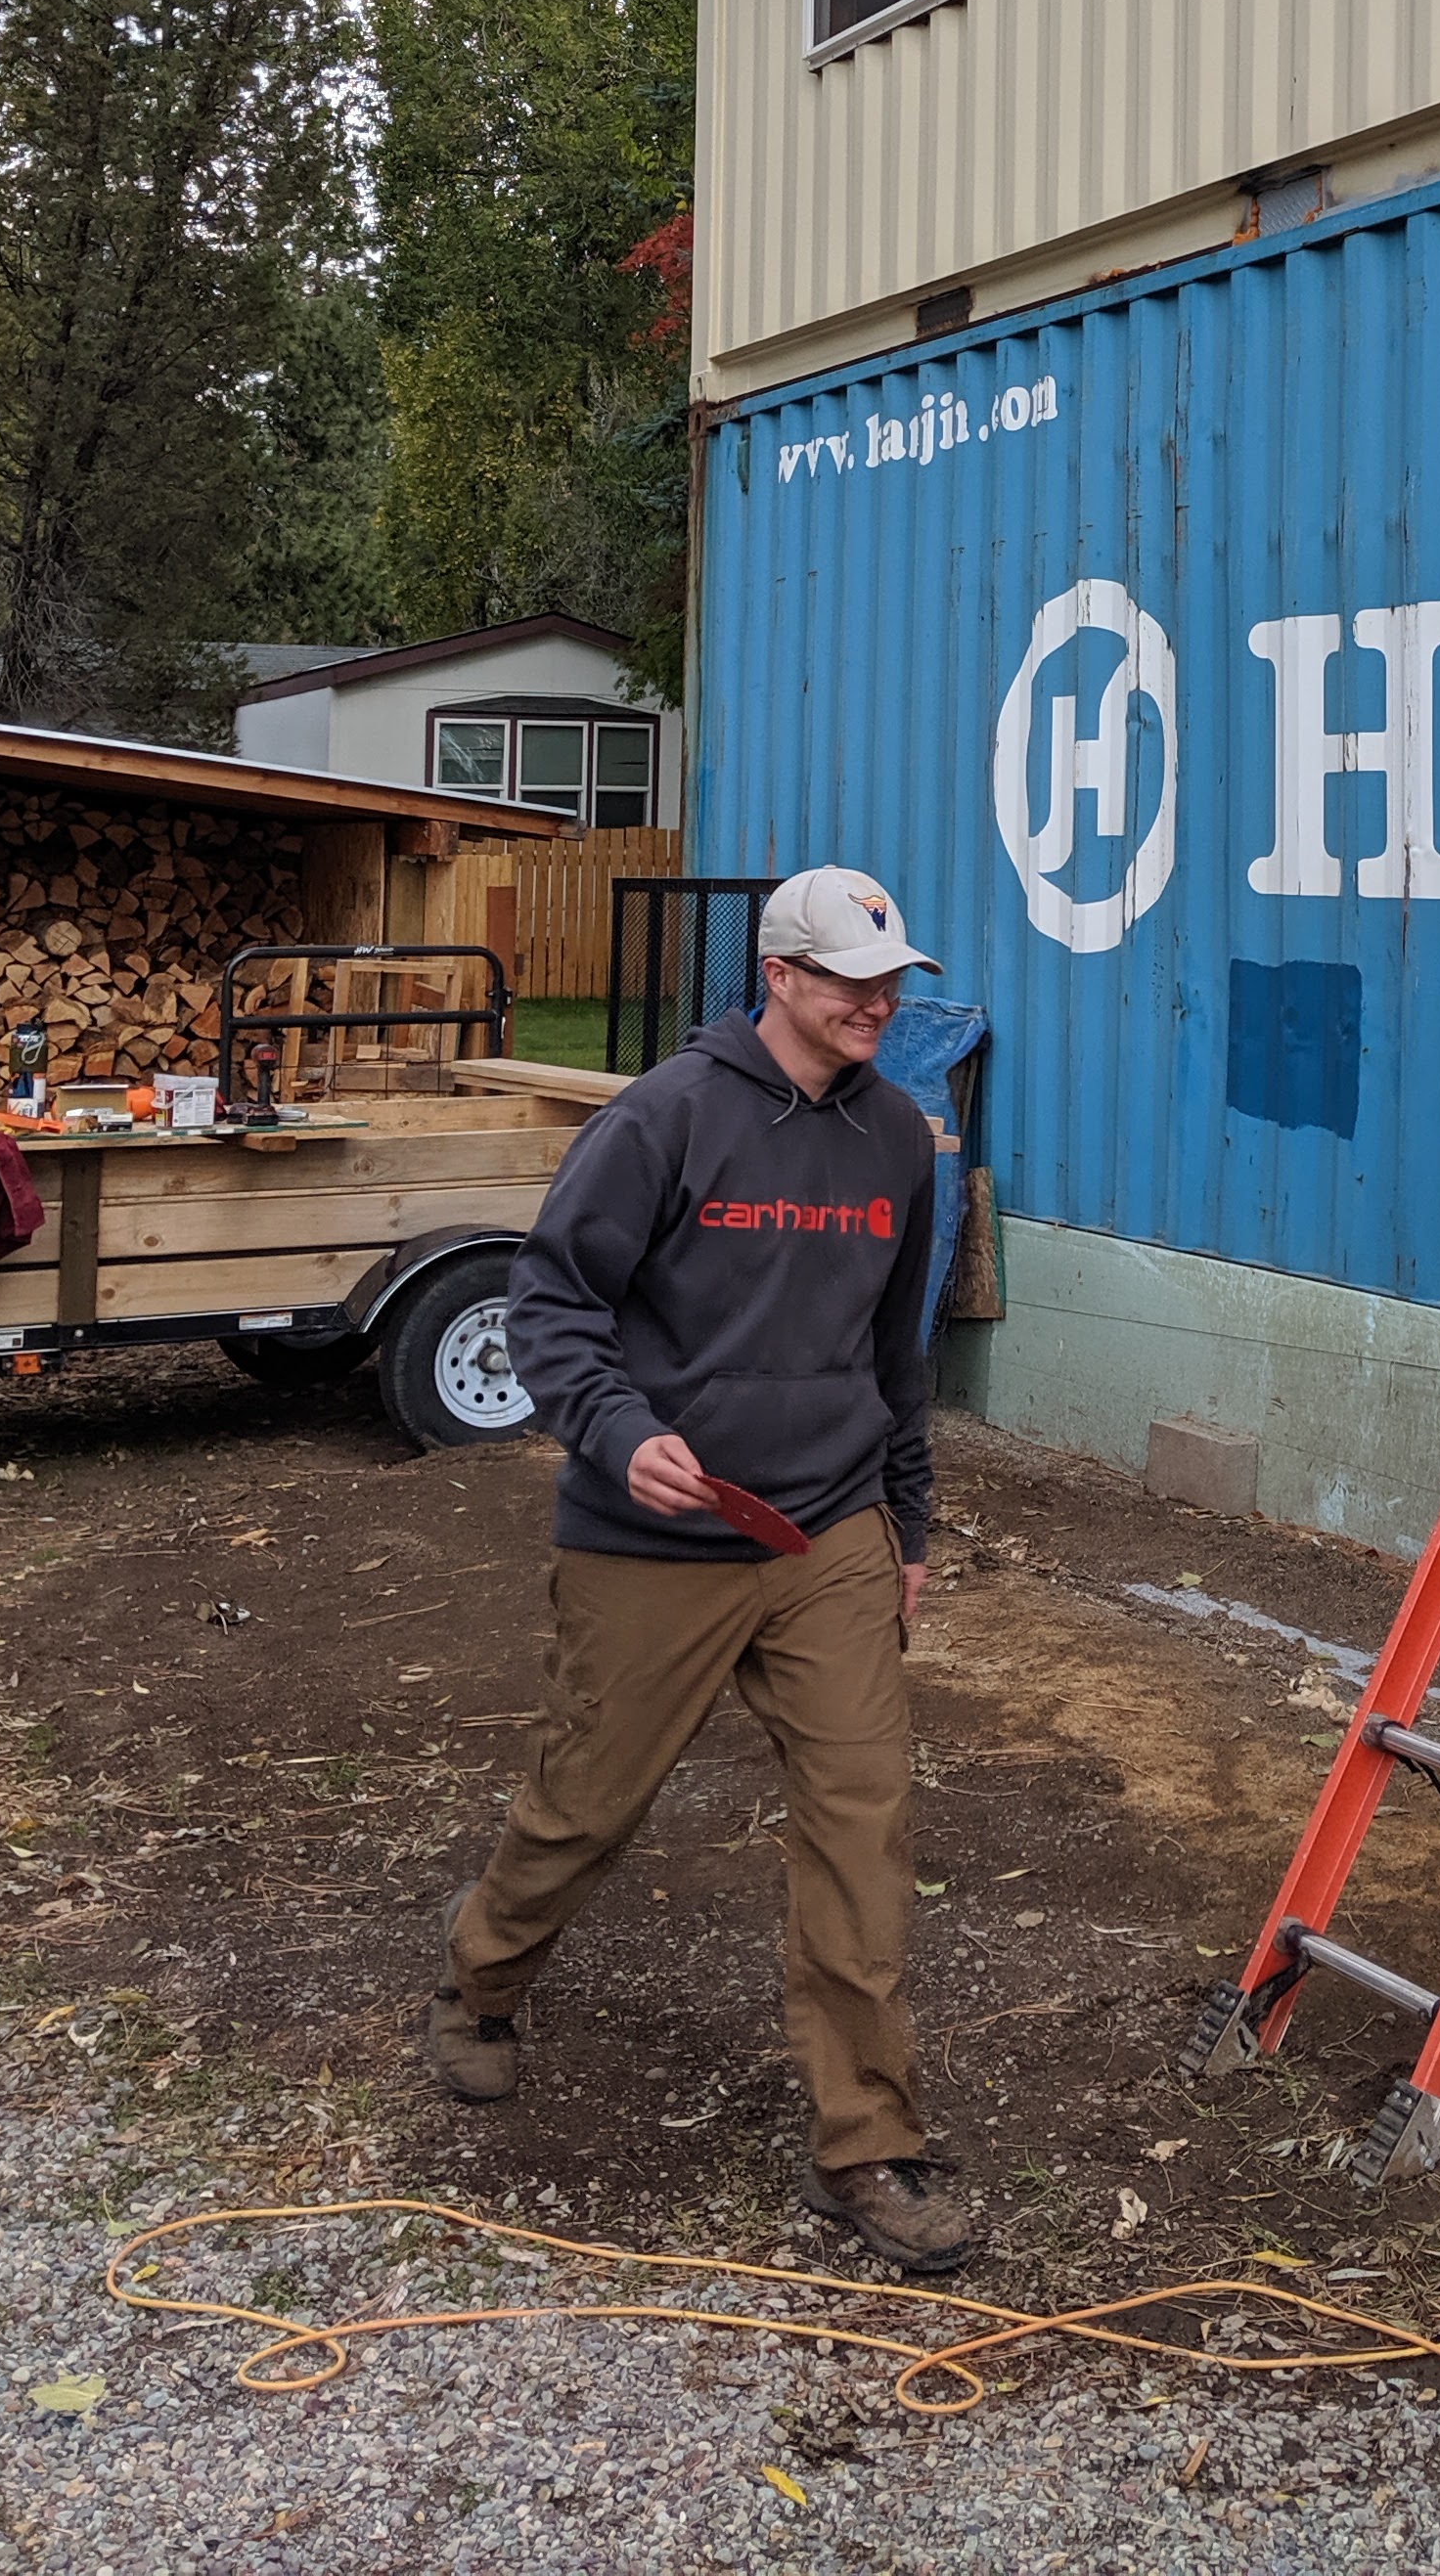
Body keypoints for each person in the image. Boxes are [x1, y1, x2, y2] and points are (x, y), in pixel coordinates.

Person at [422, 864, 976, 2278]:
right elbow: (550, 1301)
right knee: (585, 1803)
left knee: (864, 1823)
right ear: (777, 977)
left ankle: (868, 2142)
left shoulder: (900, 1140)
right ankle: (484, 1981)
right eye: (847, 978)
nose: (875, 1001)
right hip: (657, 1537)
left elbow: (894, 1357)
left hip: (830, 1532)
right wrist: (617, 1433)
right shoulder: (664, 1117)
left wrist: (906, 1531)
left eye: (889, 980)